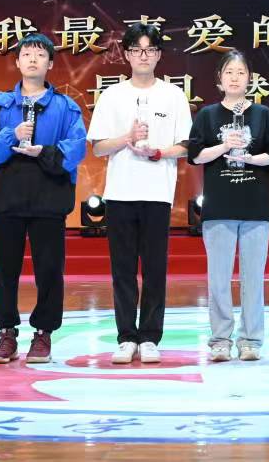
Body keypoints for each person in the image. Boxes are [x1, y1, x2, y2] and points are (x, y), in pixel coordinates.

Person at [0, 33, 87, 364]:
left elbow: (76, 149)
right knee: (3, 271)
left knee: (49, 271)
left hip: (48, 200)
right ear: (17, 61)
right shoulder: (1, 104)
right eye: (26, 54)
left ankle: (43, 334)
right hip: (7, 199)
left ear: (50, 63)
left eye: (40, 55)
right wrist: (12, 134)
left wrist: (43, 151)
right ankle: (6, 334)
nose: (33, 59)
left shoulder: (66, 107)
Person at [87, 22, 192, 364]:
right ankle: (126, 337)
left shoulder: (173, 95)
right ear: (127, 55)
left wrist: (158, 152)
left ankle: (149, 337)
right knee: (122, 269)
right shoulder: (112, 95)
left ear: (159, 55)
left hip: (157, 193)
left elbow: (186, 146)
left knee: (155, 269)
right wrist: (127, 139)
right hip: (120, 193)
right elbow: (98, 147)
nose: (143, 56)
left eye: (150, 50)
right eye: (136, 50)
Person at [188, 50, 269, 362]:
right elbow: (196, 156)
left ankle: (251, 339)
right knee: (218, 279)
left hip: (254, 207)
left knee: (253, 278)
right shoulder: (207, 115)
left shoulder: (263, 115)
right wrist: (224, 146)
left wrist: (250, 158)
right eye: (229, 72)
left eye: (241, 72)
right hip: (219, 207)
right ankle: (220, 340)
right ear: (219, 79)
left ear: (250, 79)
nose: (235, 78)